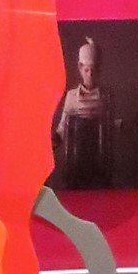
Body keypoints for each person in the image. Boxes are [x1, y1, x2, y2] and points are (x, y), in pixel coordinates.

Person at [52, 34, 113, 190]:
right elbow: (63, 128)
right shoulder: (72, 96)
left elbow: (111, 125)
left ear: (99, 70)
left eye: (94, 70)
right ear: (80, 68)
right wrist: (52, 141)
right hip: (76, 159)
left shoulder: (107, 96)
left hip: (99, 159)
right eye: (86, 70)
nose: (90, 74)